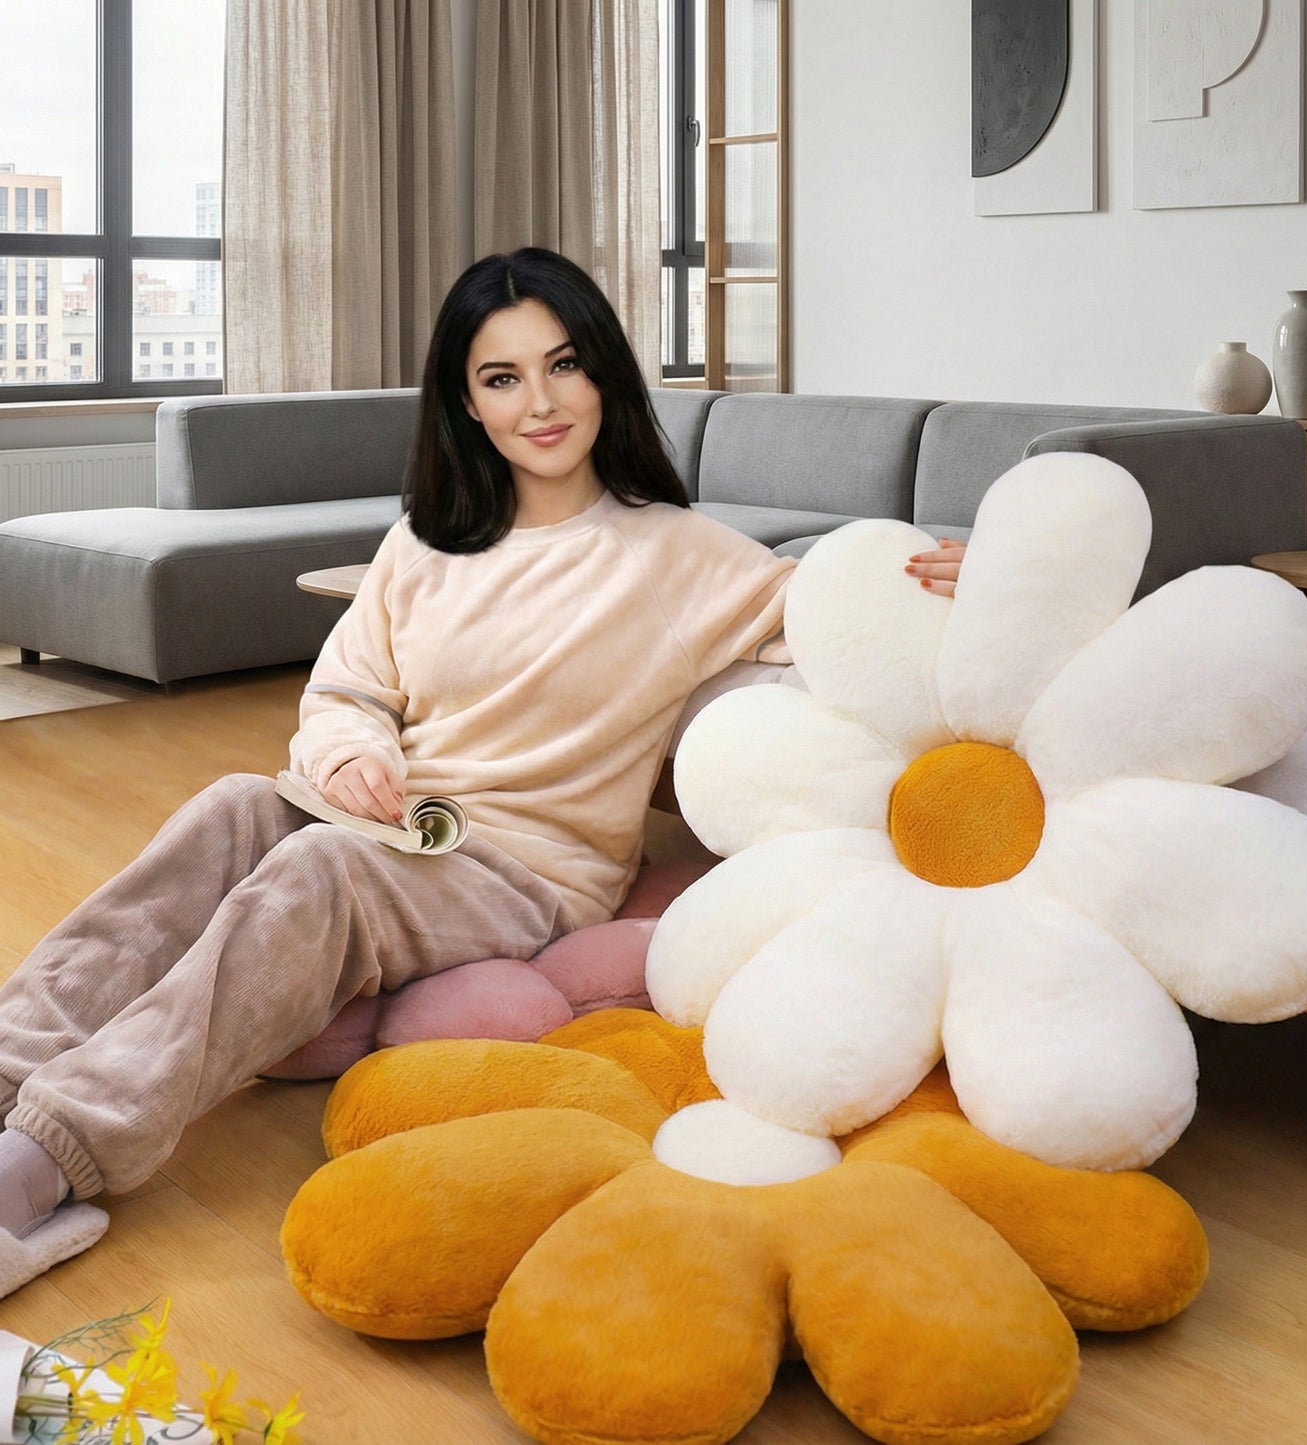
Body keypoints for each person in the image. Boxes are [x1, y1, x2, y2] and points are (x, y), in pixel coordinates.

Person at [0, 247, 962, 1294]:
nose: (539, 403)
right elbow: (344, 689)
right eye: (502, 377)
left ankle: (50, 1153)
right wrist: (355, 754)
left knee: (321, 872)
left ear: (602, 374)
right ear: (467, 402)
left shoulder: (681, 554)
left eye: (563, 365)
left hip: (525, 870)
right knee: (232, 803)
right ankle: (10, 1061)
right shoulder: (424, 542)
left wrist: (965, 576)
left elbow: (846, 609)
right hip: (394, 827)